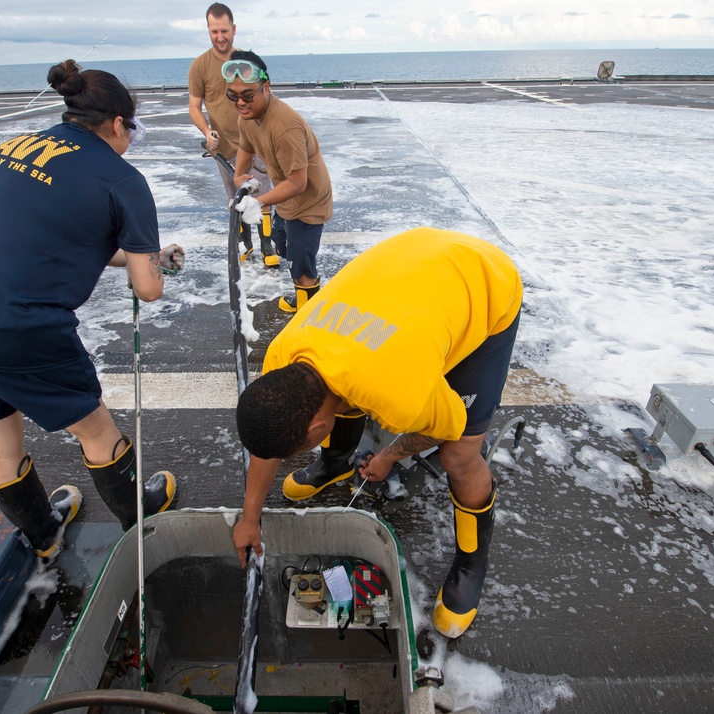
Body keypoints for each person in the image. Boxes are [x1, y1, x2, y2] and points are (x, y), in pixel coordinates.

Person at [0, 60, 182, 560]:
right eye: (131, 129)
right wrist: (153, 267)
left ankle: (44, 537)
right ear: (118, 123)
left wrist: (143, 258)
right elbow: (150, 291)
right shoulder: (123, 179)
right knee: (95, 430)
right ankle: (141, 522)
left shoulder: (15, 146)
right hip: (13, 324)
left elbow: (54, 239)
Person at [233, 228, 523, 638]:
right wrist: (249, 519)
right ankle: (334, 463)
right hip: (413, 263)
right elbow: (271, 437)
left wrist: (387, 457)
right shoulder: (283, 356)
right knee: (341, 390)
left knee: (461, 454)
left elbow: (445, 428)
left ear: (317, 429)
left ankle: (472, 563)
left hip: (483, 280)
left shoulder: (395, 395)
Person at [226, 50, 333, 313]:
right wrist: (240, 176)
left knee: (302, 267)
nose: (240, 102)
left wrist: (258, 202)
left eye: (248, 95)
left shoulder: (284, 127)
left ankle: (308, 319)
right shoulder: (248, 116)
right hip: (287, 202)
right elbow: (246, 146)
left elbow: (298, 183)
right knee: (284, 247)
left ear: (266, 87)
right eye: (233, 95)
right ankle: (304, 295)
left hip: (308, 205)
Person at [188, 3, 277, 266]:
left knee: (262, 196)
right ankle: (245, 244)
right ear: (208, 30)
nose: (220, 37)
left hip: (254, 145)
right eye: (214, 31)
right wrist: (207, 131)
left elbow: (267, 96)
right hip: (224, 149)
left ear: (234, 29)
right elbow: (194, 107)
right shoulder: (199, 66)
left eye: (224, 30)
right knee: (235, 199)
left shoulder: (248, 61)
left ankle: (267, 247)